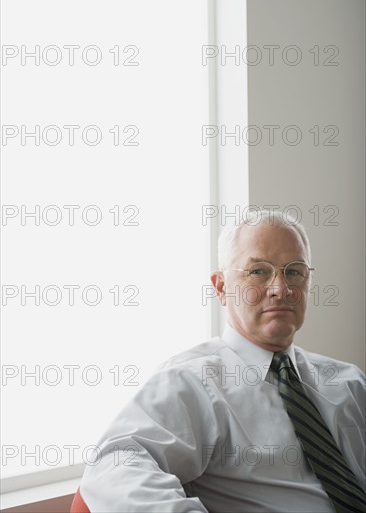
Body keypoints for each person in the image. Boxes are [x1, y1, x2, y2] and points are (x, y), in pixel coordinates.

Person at [79, 210, 365, 512]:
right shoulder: (190, 381)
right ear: (220, 287)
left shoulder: (348, 381)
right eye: (258, 271)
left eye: (294, 271)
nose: (281, 288)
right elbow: (115, 466)